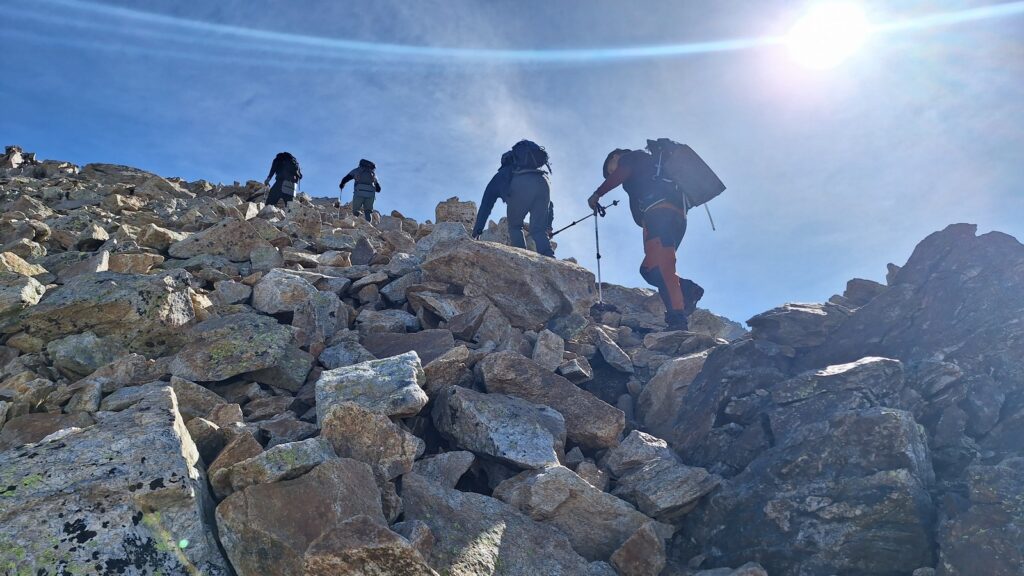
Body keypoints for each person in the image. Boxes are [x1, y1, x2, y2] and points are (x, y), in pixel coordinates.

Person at [587, 146, 703, 330]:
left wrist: (597, 194)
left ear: (615, 156)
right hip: (677, 217)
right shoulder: (650, 165)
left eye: (611, 169)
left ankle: (677, 319)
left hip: (659, 215)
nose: (612, 173)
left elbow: (621, 173)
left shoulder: (630, 158)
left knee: (660, 267)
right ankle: (687, 290)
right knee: (649, 269)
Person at [472, 141, 554, 257]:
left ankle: (522, 257)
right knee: (538, 230)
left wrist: (476, 232)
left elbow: (486, 205)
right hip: (544, 183)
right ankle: (550, 257)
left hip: (521, 185)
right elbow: (549, 204)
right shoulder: (536, 172)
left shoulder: (501, 175)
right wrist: (548, 225)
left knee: (515, 226)